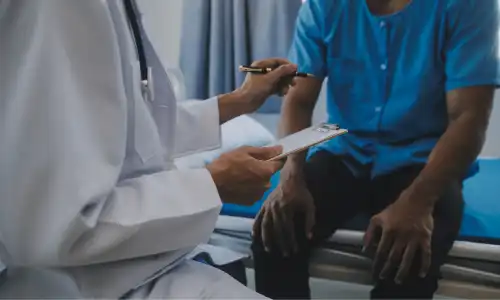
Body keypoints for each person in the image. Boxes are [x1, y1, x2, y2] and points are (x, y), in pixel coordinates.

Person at [0, 0, 298, 298]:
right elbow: (57, 225)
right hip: (84, 283)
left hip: (131, 268)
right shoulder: (59, 9)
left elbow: (131, 127)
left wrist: (239, 100)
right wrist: (211, 185)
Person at [252, 0, 499, 299]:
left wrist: (418, 202)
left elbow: (468, 118)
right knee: (274, 231)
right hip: (346, 151)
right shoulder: (324, 6)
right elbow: (299, 99)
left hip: (422, 162)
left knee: (409, 258)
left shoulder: (464, 6)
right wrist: (291, 177)